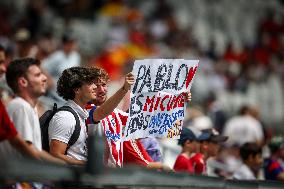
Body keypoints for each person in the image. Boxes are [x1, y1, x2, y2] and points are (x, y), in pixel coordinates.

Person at [86, 67, 190, 171]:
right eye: (96, 86)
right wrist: (125, 88)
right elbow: (101, 113)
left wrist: (176, 102)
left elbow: (144, 121)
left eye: (104, 85)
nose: (101, 90)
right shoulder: (85, 110)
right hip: (90, 175)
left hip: (111, 177)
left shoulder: (116, 114)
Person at [48, 67, 134, 165]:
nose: (95, 87)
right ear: (77, 90)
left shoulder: (81, 114)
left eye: (103, 85)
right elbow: (55, 155)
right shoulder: (66, 117)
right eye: (90, 84)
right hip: (73, 178)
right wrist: (88, 165)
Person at [0, 57, 64, 164]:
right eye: (38, 75)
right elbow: (29, 151)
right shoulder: (20, 106)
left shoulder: (28, 106)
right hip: (17, 179)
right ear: (23, 82)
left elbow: (36, 151)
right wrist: (63, 167)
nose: (45, 78)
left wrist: (65, 165)